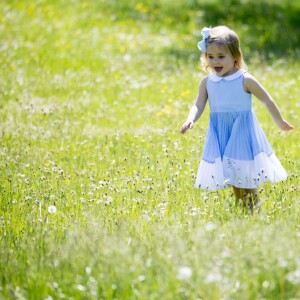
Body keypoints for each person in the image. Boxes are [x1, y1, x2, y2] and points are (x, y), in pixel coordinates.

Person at [180, 25, 293, 209]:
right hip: (220, 131)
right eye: (211, 56)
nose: (215, 61)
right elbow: (198, 104)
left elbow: (267, 100)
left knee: (244, 169)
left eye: (221, 56)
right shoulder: (207, 82)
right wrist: (190, 118)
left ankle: (252, 203)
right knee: (231, 169)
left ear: (235, 57)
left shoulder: (245, 79)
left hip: (241, 130)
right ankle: (241, 203)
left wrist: (279, 122)